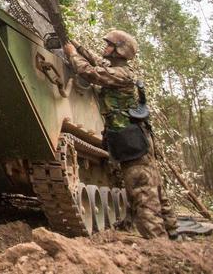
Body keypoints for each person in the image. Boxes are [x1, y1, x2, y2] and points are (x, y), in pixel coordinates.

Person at [63, 30, 177, 239]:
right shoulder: (118, 69)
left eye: (109, 45)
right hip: (136, 140)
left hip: (131, 142)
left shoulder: (121, 75)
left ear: (119, 51)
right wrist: (77, 46)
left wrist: (71, 54)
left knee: (142, 190)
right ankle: (172, 232)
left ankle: (158, 242)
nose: (104, 47)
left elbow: (90, 72)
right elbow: (97, 61)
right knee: (154, 186)